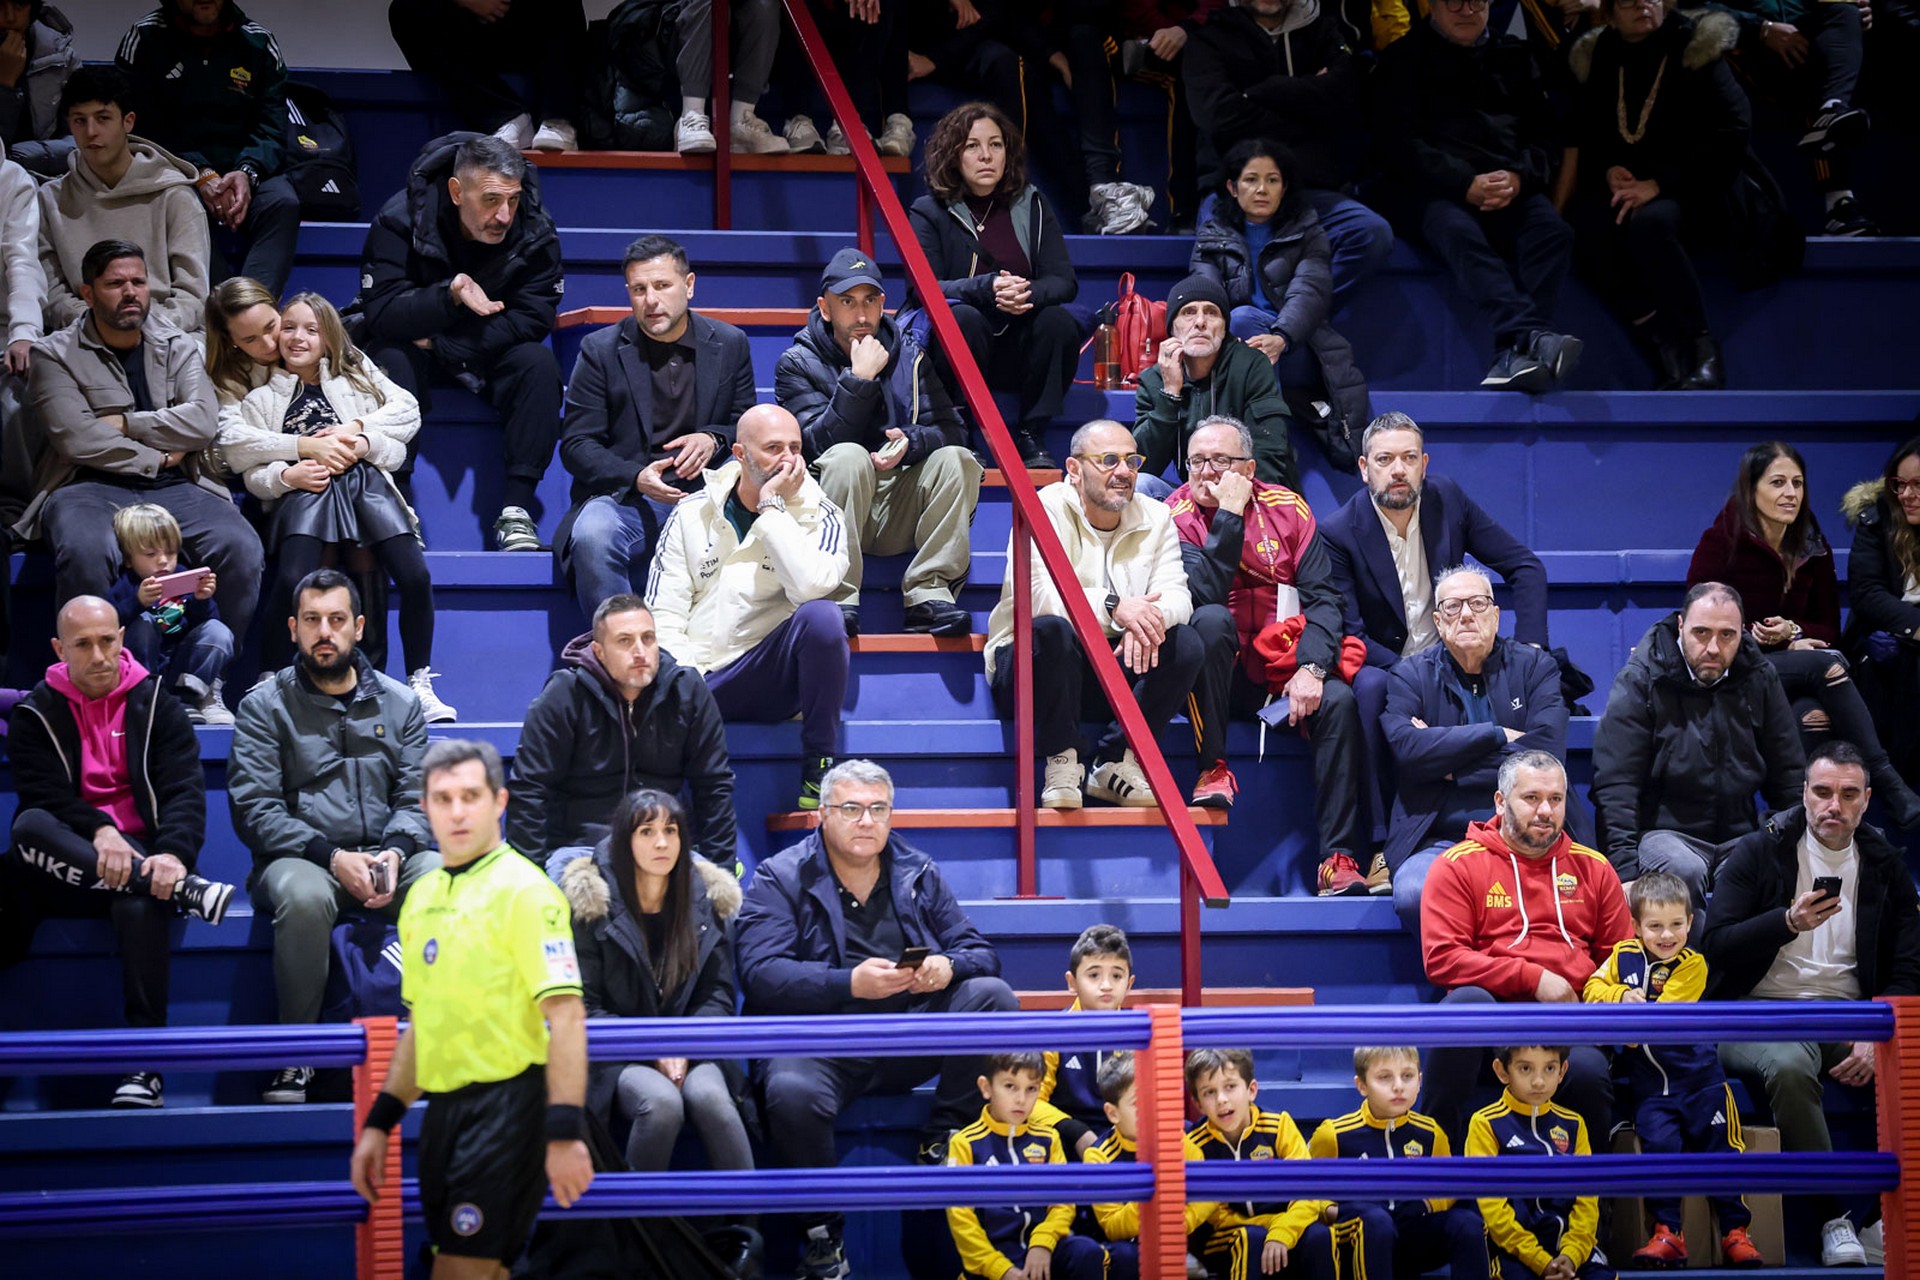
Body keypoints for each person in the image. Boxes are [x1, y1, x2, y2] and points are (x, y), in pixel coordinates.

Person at [735, 758, 1019, 1280]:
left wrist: (947, 966)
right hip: (820, 1045)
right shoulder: (779, 876)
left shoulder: (918, 871)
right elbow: (761, 974)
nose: (866, 821)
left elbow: (980, 953)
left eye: (878, 809)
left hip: (906, 1033)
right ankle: (822, 1236)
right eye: (851, 809)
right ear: (823, 814)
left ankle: (943, 1135)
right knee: (790, 1090)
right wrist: (848, 983)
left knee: (992, 997)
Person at [349, 739, 593, 1279]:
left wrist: (564, 1130)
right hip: (444, 1113)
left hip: (510, 1109)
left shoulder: (527, 892)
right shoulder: (421, 898)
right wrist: (379, 1124)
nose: (457, 812)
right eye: (443, 799)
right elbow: (422, 1025)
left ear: (499, 802)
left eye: (470, 796)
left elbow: (567, 1018)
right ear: (424, 808)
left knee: (459, 1270)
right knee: (477, 1268)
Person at [4, 596, 233, 1110]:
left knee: (139, 902)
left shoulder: (157, 704)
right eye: (83, 645)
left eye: (107, 641)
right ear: (59, 649)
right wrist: (101, 830)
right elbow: (45, 799)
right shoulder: (35, 713)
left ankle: (144, 1064)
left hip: (147, 857)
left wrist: (172, 854)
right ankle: (182, 891)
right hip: (68, 865)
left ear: (122, 639)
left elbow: (184, 792)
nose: (99, 655)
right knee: (28, 830)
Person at [1705, 740, 1920, 1268]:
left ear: (1867, 799)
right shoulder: (1759, 851)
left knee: (1908, 1064)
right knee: (1789, 1066)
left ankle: (1882, 1220)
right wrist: (1786, 922)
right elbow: (1716, 944)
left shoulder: (1885, 864)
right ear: (1803, 793)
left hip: (1848, 1015)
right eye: (1823, 792)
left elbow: (1907, 964)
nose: (1834, 806)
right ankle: (1834, 1219)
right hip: (1757, 1011)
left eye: (1848, 794)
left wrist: (1877, 1031)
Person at [228, 569, 437, 1106]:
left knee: (441, 880)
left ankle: (439, 1044)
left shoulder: (402, 704)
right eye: (313, 620)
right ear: (293, 629)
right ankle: (297, 1055)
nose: (325, 632)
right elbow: (255, 808)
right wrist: (333, 856)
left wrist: (397, 851)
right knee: (304, 897)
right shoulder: (263, 706)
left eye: (337, 620)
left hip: (388, 855)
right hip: (300, 858)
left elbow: (417, 797)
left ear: (359, 627)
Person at [1323, 412, 1549, 882]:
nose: (1398, 470)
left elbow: (1525, 567)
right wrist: (1414, 674)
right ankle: (1381, 844)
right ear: (1364, 468)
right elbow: (1352, 632)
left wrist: (1532, 648)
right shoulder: (1340, 532)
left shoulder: (1448, 499)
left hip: (1457, 651)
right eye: (1385, 460)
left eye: (1409, 458)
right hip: (1391, 663)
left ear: (1424, 464)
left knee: (1525, 678)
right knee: (1368, 689)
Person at [14, 239, 264, 654]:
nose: (131, 292)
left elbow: (202, 421)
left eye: (139, 282)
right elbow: (77, 438)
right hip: (86, 485)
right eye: (116, 284)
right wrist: (158, 456)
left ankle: (205, 672)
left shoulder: (179, 345)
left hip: (176, 485)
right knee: (85, 550)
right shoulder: (53, 354)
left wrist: (128, 423)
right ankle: (94, 674)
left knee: (240, 547)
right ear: (88, 293)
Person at [221, 291, 453, 720]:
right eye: (289, 327)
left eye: (311, 329)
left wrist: (362, 438)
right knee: (293, 577)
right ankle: (271, 676)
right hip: (307, 487)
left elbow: (400, 437)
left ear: (328, 337)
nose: (297, 337)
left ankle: (415, 681)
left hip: (365, 484)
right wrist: (286, 476)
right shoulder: (261, 399)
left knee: (413, 574)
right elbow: (246, 465)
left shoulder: (355, 382)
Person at [1171, 415, 1369, 890]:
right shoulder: (1171, 516)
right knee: (1210, 621)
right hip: (1212, 678)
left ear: (1249, 468)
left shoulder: (1288, 508)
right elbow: (1205, 593)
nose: (1205, 472)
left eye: (1220, 461)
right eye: (1196, 461)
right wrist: (1229, 513)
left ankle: (1337, 858)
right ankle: (1212, 769)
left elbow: (1324, 599)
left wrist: (1312, 668)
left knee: (1339, 701)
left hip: (1280, 670)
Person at [345, 132, 564, 553]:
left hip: (476, 347)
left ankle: (517, 510)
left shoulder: (535, 227)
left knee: (538, 364)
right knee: (390, 358)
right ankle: (399, 505)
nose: (504, 215)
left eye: (513, 199)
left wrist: (445, 346)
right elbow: (382, 312)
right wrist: (450, 295)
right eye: (491, 200)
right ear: (456, 191)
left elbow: (534, 316)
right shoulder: (400, 217)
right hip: (413, 345)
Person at [1685, 441, 1920, 827]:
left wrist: (1794, 632)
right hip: (1733, 670)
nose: (1790, 493)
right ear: (1751, 489)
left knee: (1811, 717)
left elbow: (1829, 627)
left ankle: (1793, 825)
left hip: (1793, 675)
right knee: (1823, 666)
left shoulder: (1811, 541)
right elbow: (1700, 623)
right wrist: (1769, 639)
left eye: (1797, 483)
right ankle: (1888, 782)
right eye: (1777, 483)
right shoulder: (1722, 541)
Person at [985, 418, 1209, 809]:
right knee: (1052, 630)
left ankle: (1116, 761)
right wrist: (1115, 608)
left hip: (1113, 665)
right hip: (1035, 672)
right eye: (1109, 460)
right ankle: (1061, 761)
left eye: (1132, 461)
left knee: (1186, 642)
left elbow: (1178, 596)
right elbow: (1037, 598)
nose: (1124, 472)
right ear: (1074, 469)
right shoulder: (1043, 507)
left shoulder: (1157, 516)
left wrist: (1146, 620)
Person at [1418, 749, 1629, 1147]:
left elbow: (1621, 959)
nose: (1545, 810)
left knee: (1587, 1071)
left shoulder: (1596, 868)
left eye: (1556, 799)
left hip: (1568, 1026)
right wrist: (1533, 978)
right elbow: (1443, 958)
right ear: (1500, 802)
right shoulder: (1457, 865)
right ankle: (1435, 1166)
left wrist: (1611, 994)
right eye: (1532, 798)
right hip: (1493, 1027)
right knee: (1464, 1006)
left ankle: (1590, 1185)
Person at [647, 402, 849, 810]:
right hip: (704, 677)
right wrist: (690, 679)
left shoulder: (822, 514)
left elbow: (813, 587)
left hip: (770, 675)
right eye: (774, 448)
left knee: (825, 617)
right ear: (740, 454)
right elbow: (662, 612)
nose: (788, 460)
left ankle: (819, 765)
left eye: (795, 448)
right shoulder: (691, 512)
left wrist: (773, 507)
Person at [1373, 0, 1581, 392]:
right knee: (1456, 230)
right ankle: (1532, 337)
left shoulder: (1517, 55)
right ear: (1433, 6)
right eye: (1455, 1)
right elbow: (1398, 144)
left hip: (1507, 183)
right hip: (1433, 188)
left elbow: (1545, 137)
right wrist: (1463, 183)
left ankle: (1513, 352)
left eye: (1477, 1)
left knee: (1553, 232)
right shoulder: (1403, 59)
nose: (1467, 10)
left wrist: (1519, 177)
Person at [778, 246, 977, 637]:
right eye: (847, 302)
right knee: (847, 457)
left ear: (883, 303)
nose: (862, 315)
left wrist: (912, 443)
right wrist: (859, 379)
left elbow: (953, 430)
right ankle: (836, 595)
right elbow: (814, 446)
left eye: (870, 300)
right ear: (825, 308)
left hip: (898, 504)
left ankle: (928, 594)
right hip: (833, 506)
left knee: (959, 459)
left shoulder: (911, 354)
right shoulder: (797, 362)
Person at [556, 234, 755, 623]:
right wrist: (636, 476)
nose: (650, 300)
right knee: (593, 533)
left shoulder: (730, 343)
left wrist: (713, 437)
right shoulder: (600, 350)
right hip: (630, 498)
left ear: (689, 285)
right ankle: (625, 646)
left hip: (710, 497)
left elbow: (745, 424)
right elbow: (577, 444)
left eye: (662, 285)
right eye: (639, 289)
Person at [556, 788, 754, 1177]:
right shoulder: (591, 906)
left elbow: (717, 996)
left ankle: (746, 1216)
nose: (661, 843)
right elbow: (586, 1008)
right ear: (624, 841)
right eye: (646, 831)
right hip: (616, 1054)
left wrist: (681, 1045)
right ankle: (636, 1217)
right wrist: (653, 1048)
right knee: (662, 1103)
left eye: (671, 830)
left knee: (714, 1100)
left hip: (692, 1046)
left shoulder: (704, 900)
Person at [1561, 0, 1751, 391]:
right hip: (1633, 184)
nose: (1642, 5)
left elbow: (1733, 130)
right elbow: (1592, 133)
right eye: (1628, 0)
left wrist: (1659, 184)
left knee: (1651, 223)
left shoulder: (1694, 46)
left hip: (1700, 184)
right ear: (1609, 13)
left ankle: (1702, 349)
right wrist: (1610, 168)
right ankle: (1663, 344)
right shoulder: (1601, 54)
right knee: (1585, 224)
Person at [1582, 871, 1766, 1269]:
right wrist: (1619, 995)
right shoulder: (1621, 956)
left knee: (1722, 1153)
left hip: (1701, 1083)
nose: (1667, 935)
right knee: (1659, 1155)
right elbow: (1591, 989)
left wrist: (1624, 1024)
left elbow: (1662, 1018)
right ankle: (1668, 1233)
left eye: (1676, 925)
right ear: (1635, 926)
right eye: (1655, 926)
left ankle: (1736, 1231)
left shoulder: (1692, 964)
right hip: (1652, 1091)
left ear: (1690, 922)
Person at [1589, 581, 1806, 918]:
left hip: (1739, 834)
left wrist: (1789, 845)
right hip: (1663, 834)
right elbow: (1616, 784)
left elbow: (1789, 773)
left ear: (1741, 633)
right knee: (1683, 869)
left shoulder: (1759, 675)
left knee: (1762, 864)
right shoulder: (1642, 678)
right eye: (1701, 633)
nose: (1714, 648)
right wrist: (1625, 872)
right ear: (1681, 626)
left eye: (1727, 635)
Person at [1382, 564, 1572, 930]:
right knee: (1414, 893)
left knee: (1569, 892)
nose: (1467, 614)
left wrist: (1452, 769)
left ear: (1496, 616)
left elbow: (1546, 754)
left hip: (1529, 835)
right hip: (1439, 837)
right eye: (1453, 606)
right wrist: (1497, 734)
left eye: (1478, 603)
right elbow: (1409, 752)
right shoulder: (1410, 675)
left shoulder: (1536, 667)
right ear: (1438, 622)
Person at [507, 593, 737, 873]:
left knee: (711, 895)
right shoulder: (565, 694)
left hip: (665, 847)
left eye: (648, 638)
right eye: (625, 641)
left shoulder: (687, 690)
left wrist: (721, 873)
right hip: (581, 851)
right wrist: (531, 880)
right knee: (577, 892)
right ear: (599, 651)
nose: (640, 651)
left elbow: (714, 786)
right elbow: (529, 790)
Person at [908, 102, 1080, 472]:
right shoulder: (929, 210)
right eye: (972, 146)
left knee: (1057, 322)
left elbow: (1064, 281)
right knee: (964, 318)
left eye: (996, 145)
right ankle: (960, 427)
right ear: (953, 155)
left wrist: (1025, 293)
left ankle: (1031, 432)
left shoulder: (1031, 204)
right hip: (958, 348)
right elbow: (923, 287)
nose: (986, 156)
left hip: (1016, 348)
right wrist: (989, 288)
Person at [1184, 0, 1393, 305]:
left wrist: (1266, 91)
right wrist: (1305, 107)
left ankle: (1296, 317)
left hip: (1309, 189)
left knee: (1370, 233)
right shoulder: (1210, 40)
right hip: (1233, 191)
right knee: (1216, 274)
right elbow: (1218, 117)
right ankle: (1264, 323)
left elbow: (1344, 103)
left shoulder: (1325, 34)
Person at [1188, 139, 1371, 444]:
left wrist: (1282, 337)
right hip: (1234, 345)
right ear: (1232, 187)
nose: (1262, 189)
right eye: (1251, 180)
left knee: (1245, 322)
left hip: (1296, 348)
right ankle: (1268, 446)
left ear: (1284, 188)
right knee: (1241, 321)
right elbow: (1207, 297)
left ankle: (1264, 446)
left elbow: (1310, 291)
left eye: (1272, 180)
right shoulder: (1211, 236)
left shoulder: (1307, 231)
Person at [115, 0, 300, 298]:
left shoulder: (259, 42)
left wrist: (246, 172)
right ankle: (225, 310)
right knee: (178, 202)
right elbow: (142, 128)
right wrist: (200, 172)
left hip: (246, 168)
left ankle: (251, 307)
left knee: (283, 203)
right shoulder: (145, 38)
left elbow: (271, 128)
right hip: (174, 171)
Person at [38, 66, 209, 335]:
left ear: (128, 121)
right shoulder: (50, 199)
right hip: (84, 334)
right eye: (80, 120)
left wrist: (140, 331)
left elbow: (193, 296)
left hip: (170, 336)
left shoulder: (174, 195)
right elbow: (50, 292)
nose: (91, 131)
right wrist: (100, 326)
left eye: (103, 118)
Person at [1306, 1047, 1491, 1280]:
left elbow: (1447, 1186)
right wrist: (1332, 1211)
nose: (1398, 1086)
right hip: (1358, 1234)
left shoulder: (1431, 1133)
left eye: (1407, 1076)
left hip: (1410, 1230)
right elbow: (1308, 1191)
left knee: (1468, 1224)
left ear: (1420, 1081)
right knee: (1377, 1222)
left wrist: (1427, 1204)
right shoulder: (1333, 1134)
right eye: (1385, 1077)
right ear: (1362, 1085)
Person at [1712, 0, 1877, 235]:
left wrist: (1856, 10)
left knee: (1844, 11)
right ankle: (1838, 204)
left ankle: (1832, 108)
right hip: (1744, 45)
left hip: (1799, 39)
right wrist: (1763, 29)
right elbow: (1693, 10)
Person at [945, 1051, 1108, 1280]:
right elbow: (962, 1222)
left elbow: (1062, 1203)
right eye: (1010, 1086)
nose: (1021, 1099)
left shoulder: (1049, 1138)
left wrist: (1042, 1243)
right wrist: (1001, 1270)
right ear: (986, 1087)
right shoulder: (965, 1143)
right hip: (989, 1264)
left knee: (1086, 1253)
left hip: (1042, 1254)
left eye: (1031, 1089)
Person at [1133, 274, 1297, 490]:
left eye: (1211, 312)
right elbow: (1142, 465)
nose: (1200, 322)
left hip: (1247, 491)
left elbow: (1268, 452)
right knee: (1142, 484)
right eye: (1188, 312)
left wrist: (1234, 503)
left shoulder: (1251, 366)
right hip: (1193, 496)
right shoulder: (1155, 380)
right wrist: (1170, 393)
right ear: (1172, 327)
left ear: (1224, 326)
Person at [1184, 1047, 1335, 1280]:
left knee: (1319, 1236)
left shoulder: (1279, 1126)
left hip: (1282, 1225)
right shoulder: (1194, 1144)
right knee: (1251, 1238)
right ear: (1198, 1104)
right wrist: (1272, 1225)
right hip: (1223, 1235)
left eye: (1230, 1087)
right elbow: (1216, 1215)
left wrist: (1281, 1231)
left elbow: (1307, 1192)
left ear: (1251, 1090)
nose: (1221, 1099)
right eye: (1209, 1092)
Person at [1463, 1045, 1611, 1280]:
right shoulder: (1485, 1124)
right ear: (1502, 1071)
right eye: (1525, 1069)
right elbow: (1493, 1211)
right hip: (1514, 1252)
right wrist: (1541, 1262)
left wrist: (1572, 1254)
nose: (1539, 1082)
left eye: (1549, 1068)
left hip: (1570, 1253)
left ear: (1562, 1071)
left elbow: (1586, 1202)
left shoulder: (1574, 1124)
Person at [1054, 0, 1200, 233]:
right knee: (1084, 37)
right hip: (1110, 36)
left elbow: (1215, 7)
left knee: (1197, 62)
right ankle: (1104, 190)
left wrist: (1185, 30)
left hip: (1183, 39)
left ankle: (1185, 213)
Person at [1082, 1051, 1217, 1280]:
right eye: (1138, 1103)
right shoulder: (1097, 1156)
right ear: (1113, 1113)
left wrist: (1178, 1224)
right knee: (1124, 1256)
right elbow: (1112, 1226)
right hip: (1130, 1249)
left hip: (1181, 1235)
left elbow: (1208, 1194)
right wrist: (1152, 1198)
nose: (1151, 1109)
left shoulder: (1177, 1137)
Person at [386, 0, 586, 151]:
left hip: (528, 29)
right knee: (406, 9)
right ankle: (507, 118)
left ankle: (558, 121)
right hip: (470, 34)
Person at [105, 503, 232, 726]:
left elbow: (206, 626)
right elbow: (110, 626)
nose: (163, 560)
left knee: (218, 631)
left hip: (180, 666)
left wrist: (202, 600)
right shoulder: (125, 584)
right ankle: (150, 698)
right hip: (143, 668)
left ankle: (192, 698)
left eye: (170, 552)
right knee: (144, 623)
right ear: (128, 559)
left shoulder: (184, 577)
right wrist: (138, 602)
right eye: (150, 554)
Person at [1839, 436, 1920, 777]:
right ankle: (1893, 783)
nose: (1906, 495)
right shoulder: (1876, 520)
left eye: (1918, 485)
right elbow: (1867, 592)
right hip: (1884, 638)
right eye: (1899, 484)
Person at [1034, 922, 1139, 1156]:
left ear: (1129, 984)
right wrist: (1078, 1133)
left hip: (1126, 1137)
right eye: (1093, 975)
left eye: (1116, 976)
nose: (1106, 985)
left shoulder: (1140, 1033)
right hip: (1067, 1138)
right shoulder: (1053, 1032)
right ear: (1072, 982)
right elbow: (1033, 1102)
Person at [671, 0, 790, 153]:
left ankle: (740, 121)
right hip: (679, 19)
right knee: (711, 3)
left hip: (732, 23)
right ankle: (691, 115)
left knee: (765, 5)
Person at [0, 0, 79, 177]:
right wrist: (5, 85)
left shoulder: (61, 57)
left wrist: (24, 157)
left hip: (51, 180)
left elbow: (83, 140)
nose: (10, 17)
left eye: (20, 4)